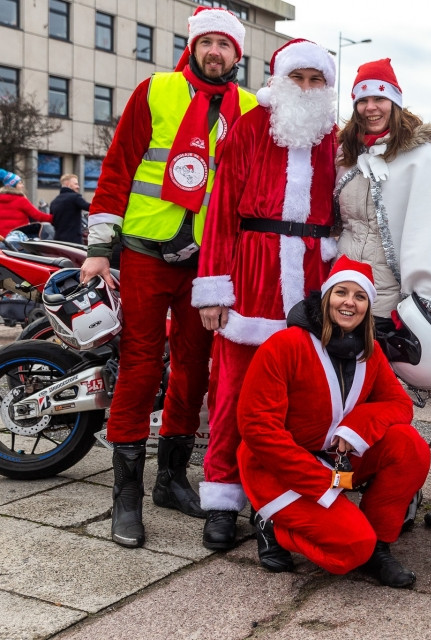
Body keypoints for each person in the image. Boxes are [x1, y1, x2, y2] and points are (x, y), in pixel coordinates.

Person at [78, 6, 258, 548]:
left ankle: (171, 480)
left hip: (207, 260)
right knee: (139, 364)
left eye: (225, 46)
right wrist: (99, 248)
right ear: (193, 47)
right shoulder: (156, 90)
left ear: (236, 55)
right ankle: (126, 498)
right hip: (146, 250)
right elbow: (118, 167)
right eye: (207, 43)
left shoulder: (250, 108)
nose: (215, 53)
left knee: (195, 368)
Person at [191, 39, 339, 550]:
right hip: (253, 273)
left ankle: (276, 499)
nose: (306, 87)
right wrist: (213, 289)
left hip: (312, 276)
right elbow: (220, 212)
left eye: (316, 80)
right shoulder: (251, 128)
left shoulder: (332, 138)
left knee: (299, 399)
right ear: (279, 80)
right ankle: (222, 500)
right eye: (298, 77)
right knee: (232, 393)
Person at [236, 256, 430, 586]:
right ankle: (274, 525)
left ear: (368, 306)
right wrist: (325, 483)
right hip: (280, 468)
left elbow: (398, 404)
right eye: (341, 292)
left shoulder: (370, 351)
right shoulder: (284, 345)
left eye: (360, 296)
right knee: (349, 552)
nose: (349, 302)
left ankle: (378, 544)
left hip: (335, 458)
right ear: (326, 297)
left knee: (410, 446)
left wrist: (357, 427)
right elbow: (258, 428)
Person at [335, 57, 431, 336]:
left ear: (394, 102)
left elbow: (428, 235)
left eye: (379, 98)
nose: (370, 107)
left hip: (387, 298)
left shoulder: (421, 156)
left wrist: (422, 303)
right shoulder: (346, 154)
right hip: (343, 288)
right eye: (362, 100)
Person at [50, 173, 91, 244]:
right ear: (67, 184)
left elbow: (52, 221)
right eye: (76, 184)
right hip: (73, 242)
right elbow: (90, 207)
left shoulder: (54, 202)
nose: (78, 187)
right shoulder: (75, 197)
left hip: (58, 241)